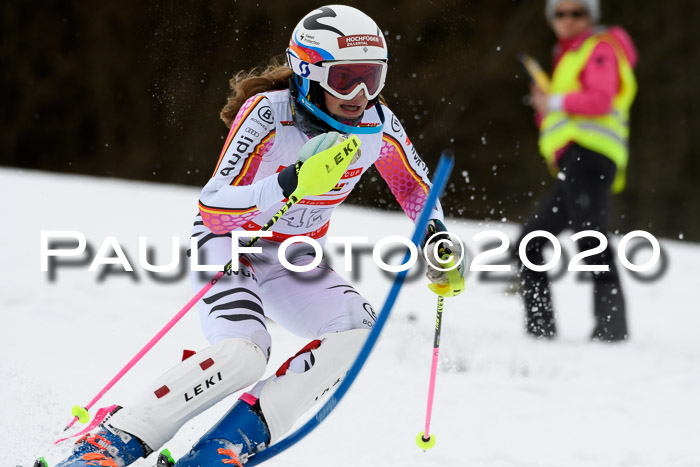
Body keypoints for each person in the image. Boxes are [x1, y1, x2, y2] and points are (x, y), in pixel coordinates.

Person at [53, 5, 464, 467]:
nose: (361, 94)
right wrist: (291, 182)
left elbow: (412, 186)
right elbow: (213, 209)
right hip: (230, 245)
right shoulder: (269, 114)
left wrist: (436, 238)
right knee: (245, 353)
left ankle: (225, 447)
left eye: (374, 76)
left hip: (293, 258)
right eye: (346, 78)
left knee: (359, 332)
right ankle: (115, 437)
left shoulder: (378, 125)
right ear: (308, 73)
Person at [516, 0, 637, 341]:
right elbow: (558, 119)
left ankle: (612, 332)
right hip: (574, 161)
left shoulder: (600, 48)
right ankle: (540, 332)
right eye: (560, 13)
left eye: (577, 13)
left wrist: (552, 101)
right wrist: (544, 105)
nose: (567, 20)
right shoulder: (567, 57)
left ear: (592, 16)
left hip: (591, 157)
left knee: (590, 239)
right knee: (531, 241)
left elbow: (601, 99)